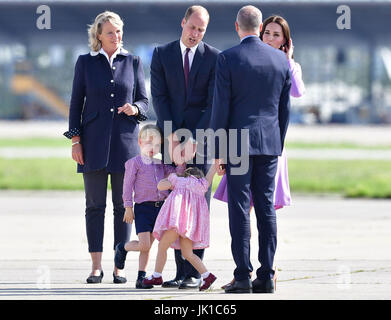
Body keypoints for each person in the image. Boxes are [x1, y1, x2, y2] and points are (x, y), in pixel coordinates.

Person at [214, 14, 306, 289]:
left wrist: (219, 150)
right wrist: (277, 143)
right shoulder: (281, 61)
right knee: (266, 209)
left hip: (237, 144)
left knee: (240, 209)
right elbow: (284, 110)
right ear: (260, 28)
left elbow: (221, 108)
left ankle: (242, 276)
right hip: (268, 144)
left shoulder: (227, 58)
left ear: (237, 27)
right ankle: (266, 276)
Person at [63, 11, 148, 284]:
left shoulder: (133, 61)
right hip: (92, 144)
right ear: (98, 35)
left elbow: (145, 102)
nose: (116, 36)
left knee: (123, 206)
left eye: (119, 31)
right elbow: (76, 103)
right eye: (110, 32)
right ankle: (96, 266)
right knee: (94, 206)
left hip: (126, 146)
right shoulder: (85, 63)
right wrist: (75, 140)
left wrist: (135, 108)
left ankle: (119, 266)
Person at [150, 5, 220, 289]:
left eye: (201, 30)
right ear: (183, 23)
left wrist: (193, 138)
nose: (195, 34)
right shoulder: (161, 54)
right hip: (170, 138)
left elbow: (212, 101)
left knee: (198, 204)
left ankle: (193, 271)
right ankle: (179, 271)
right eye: (192, 28)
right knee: (174, 205)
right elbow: (160, 96)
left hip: (200, 143)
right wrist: (175, 136)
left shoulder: (215, 58)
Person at [114, 125, 185, 288]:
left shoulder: (161, 164)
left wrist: (181, 160)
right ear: (139, 142)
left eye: (156, 145)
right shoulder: (134, 163)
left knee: (150, 245)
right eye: (148, 143)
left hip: (160, 209)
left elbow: (177, 173)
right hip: (143, 209)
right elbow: (127, 186)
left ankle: (141, 277)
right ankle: (122, 247)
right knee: (144, 244)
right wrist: (128, 207)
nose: (152, 148)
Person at [142, 166, 217, 291]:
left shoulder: (177, 179)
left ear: (185, 175)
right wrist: (215, 166)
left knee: (162, 247)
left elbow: (160, 186)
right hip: (189, 226)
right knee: (188, 253)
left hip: (177, 223)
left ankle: (157, 275)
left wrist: (170, 177)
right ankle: (207, 275)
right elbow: (210, 174)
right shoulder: (201, 185)